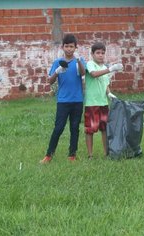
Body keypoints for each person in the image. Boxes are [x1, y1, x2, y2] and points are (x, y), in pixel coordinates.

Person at [40, 34, 85, 163]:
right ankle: (49, 155)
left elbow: (83, 73)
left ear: (76, 48)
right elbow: (50, 81)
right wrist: (58, 71)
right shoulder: (57, 62)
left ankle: (72, 155)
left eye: (71, 46)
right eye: (67, 46)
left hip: (77, 100)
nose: (69, 49)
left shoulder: (79, 60)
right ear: (62, 47)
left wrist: (78, 61)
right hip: (63, 101)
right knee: (58, 128)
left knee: (74, 128)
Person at [84, 42, 123, 159]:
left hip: (103, 102)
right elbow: (94, 74)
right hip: (92, 103)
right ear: (92, 54)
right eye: (98, 53)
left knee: (104, 129)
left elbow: (105, 83)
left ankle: (106, 153)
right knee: (90, 129)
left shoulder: (104, 67)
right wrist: (111, 69)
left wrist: (109, 93)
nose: (100, 55)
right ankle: (90, 155)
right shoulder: (90, 64)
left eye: (102, 53)